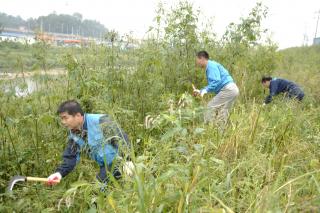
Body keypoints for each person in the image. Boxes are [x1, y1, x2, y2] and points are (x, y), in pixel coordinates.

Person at [47, 100, 134, 185]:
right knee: (99, 190)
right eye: (61, 119)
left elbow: (121, 139)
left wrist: (128, 160)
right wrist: (59, 173)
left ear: (77, 115)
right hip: (105, 166)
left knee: (97, 189)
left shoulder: (100, 121)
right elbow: (70, 158)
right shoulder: (74, 134)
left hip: (118, 162)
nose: (63, 122)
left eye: (65, 118)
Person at [193, 50, 239, 125]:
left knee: (209, 107)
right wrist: (201, 91)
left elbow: (216, 81)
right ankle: (221, 133)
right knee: (223, 111)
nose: (197, 62)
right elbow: (215, 83)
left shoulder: (210, 65)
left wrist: (205, 90)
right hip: (232, 89)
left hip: (228, 89)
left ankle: (207, 127)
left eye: (197, 60)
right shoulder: (212, 65)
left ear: (201, 58)